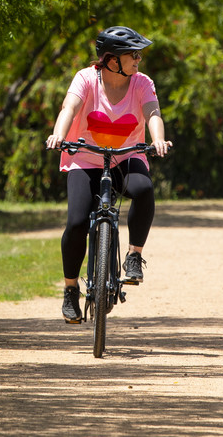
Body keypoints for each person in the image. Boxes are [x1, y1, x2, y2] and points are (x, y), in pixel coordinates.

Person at [44, 26, 172, 324]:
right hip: (86, 157)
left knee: (143, 189)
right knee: (76, 222)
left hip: (127, 156)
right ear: (112, 60)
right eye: (133, 55)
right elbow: (69, 108)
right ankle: (70, 288)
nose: (139, 60)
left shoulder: (142, 83)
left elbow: (153, 114)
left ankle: (133, 255)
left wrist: (158, 139)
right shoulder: (86, 79)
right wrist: (58, 135)